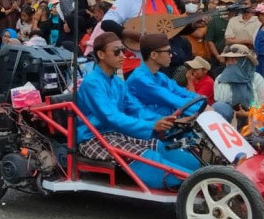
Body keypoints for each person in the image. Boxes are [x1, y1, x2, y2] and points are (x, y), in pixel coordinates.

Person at [76, 32, 200, 190]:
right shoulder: (92, 83)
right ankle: (193, 181)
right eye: (116, 51)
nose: (122, 55)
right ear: (100, 54)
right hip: (93, 137)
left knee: (159, 145)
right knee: (146, 155)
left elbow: (137, 109)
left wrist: (166, 121)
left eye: (123, 50)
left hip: (116, 133)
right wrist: (152, 126)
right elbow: (111, 117)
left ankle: (201, 172)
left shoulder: (118, 83)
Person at [101, 0, 180, 76]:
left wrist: (194, 25)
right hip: (136, 65)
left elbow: (177, 27)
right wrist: (132, 34)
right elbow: (106, 23)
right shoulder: (127, 0)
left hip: (162, 63)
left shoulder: (167, 0)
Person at [126, 33, 201, 121]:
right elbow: (171, 99)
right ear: (153, 55)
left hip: (158, 122)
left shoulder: (160, 76)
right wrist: (200, 109)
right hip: (145, 126)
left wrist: (201, 101)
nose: (171, 55)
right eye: (168, 51)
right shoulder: (140, 79)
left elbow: (180, 92)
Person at [212, 44, 264, 126]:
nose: (230, 63)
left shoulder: (256, 78)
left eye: (234, 59)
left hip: (255, 119)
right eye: (228, 59)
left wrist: (248, 113)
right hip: (230, 121)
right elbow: (220, 105)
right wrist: (235, 113)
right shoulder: (220, 79)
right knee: (219, 106)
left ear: (244, 61)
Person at [206, 0, 238, 67]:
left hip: (236, 58)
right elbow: (210, 41)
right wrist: (218, 56)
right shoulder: (214, 20)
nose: (226, 6)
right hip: (218, 59)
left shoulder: (239, 20)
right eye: (223, 3)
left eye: (229, 3)